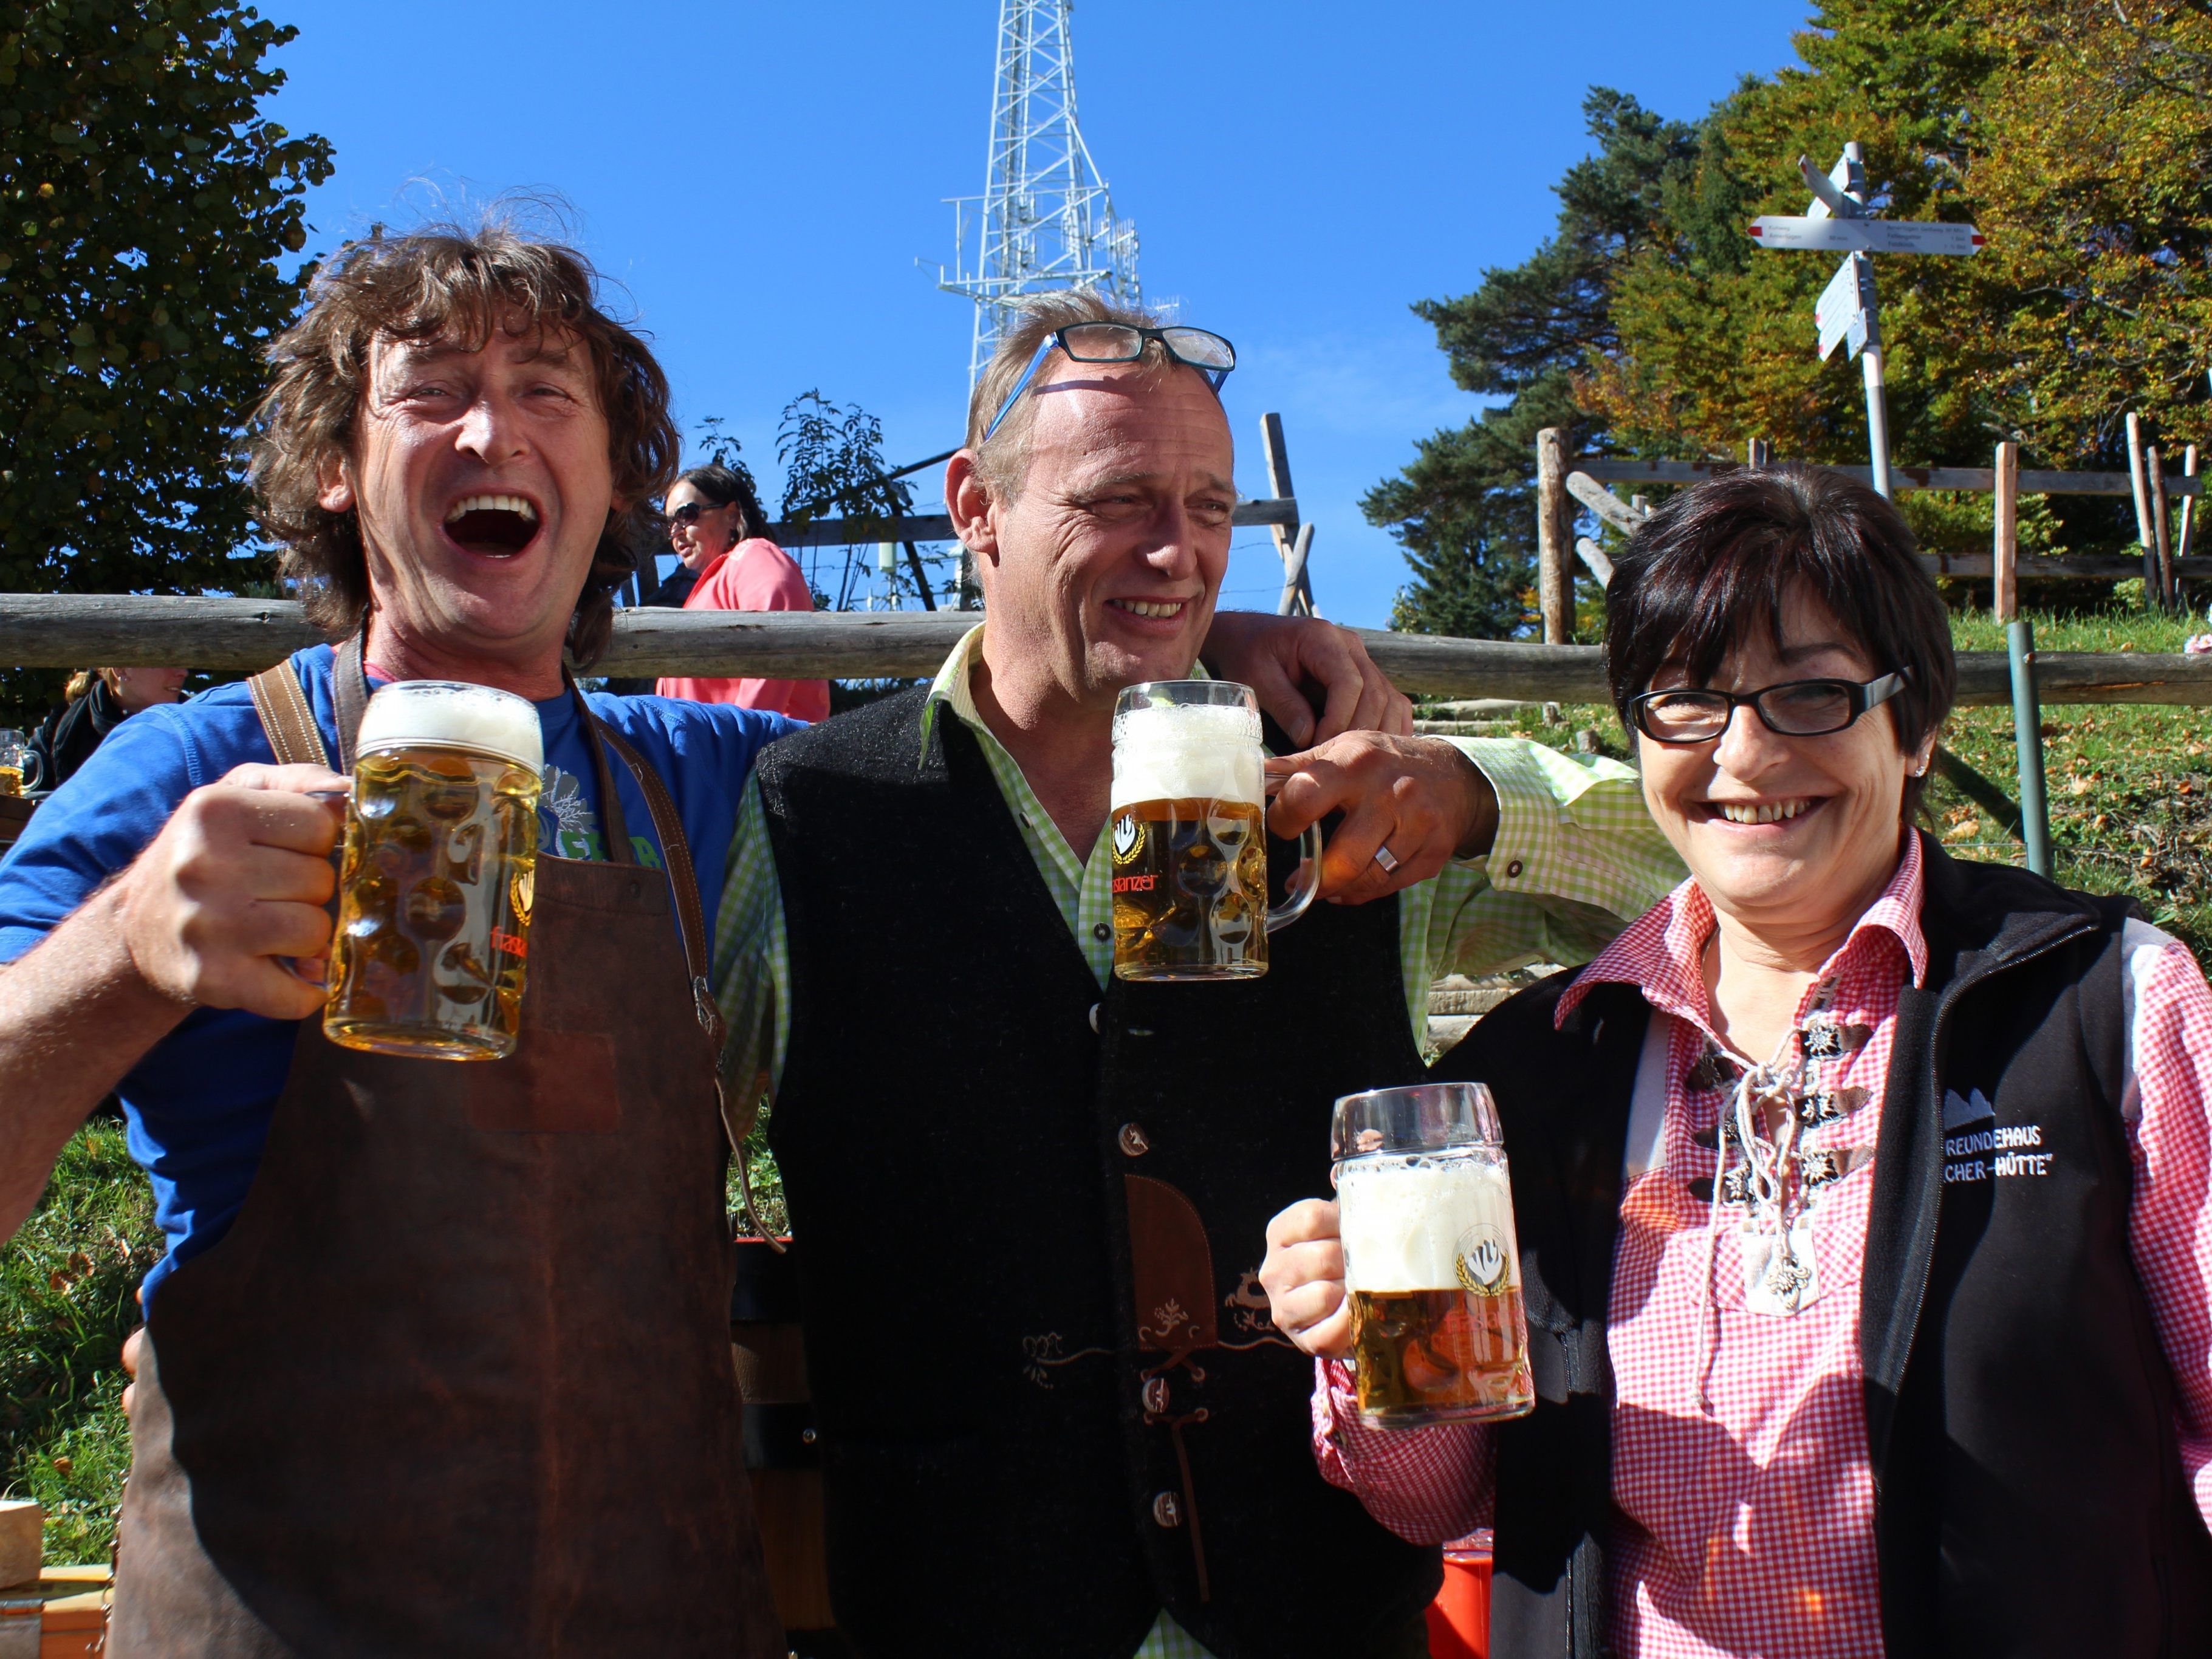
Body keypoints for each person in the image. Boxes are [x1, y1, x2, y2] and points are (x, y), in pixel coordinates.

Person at [0, 221, 1422, 1658]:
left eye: (547, 390)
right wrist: (121, 951)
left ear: (612, 476)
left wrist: (1199, 643)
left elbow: (989, 726)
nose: (493, 430)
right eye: (430, 391)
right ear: (334, 464)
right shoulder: (191, 774)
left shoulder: (719, 785)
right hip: (286, 1609)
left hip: (655, 1602)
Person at [713, 290, 1684, 1659]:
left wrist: (1472, 794)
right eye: (1118, 500)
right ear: (975, 508)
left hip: (1321, 1614)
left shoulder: (1332, 795)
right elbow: (663, 1169)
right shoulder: (815, 811)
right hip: (958, 1611)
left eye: (1208, 507)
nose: (1177, 553)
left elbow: (1730, 866)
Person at [1260, 466, 2212, 1659]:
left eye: (1809, 694)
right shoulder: (1539, 1065)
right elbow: (1435, 1501)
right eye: (1685, 702)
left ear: (1915, 726)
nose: (1744, 755)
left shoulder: (2104, 1002)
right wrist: (1369, 1336)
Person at [654, 462, 832, 720]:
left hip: (765, 742)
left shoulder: (753, 556)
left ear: (732, 515)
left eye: (687, 515)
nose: (676, 531)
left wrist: (741, 736)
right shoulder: (712, 584)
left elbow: (775, 640)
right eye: (669, 523)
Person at [23, 665, 188, 794]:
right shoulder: (60, 728)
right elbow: (27, 797)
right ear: (122, 669)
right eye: (167, 662)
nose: (183, 672)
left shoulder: (195, 724)